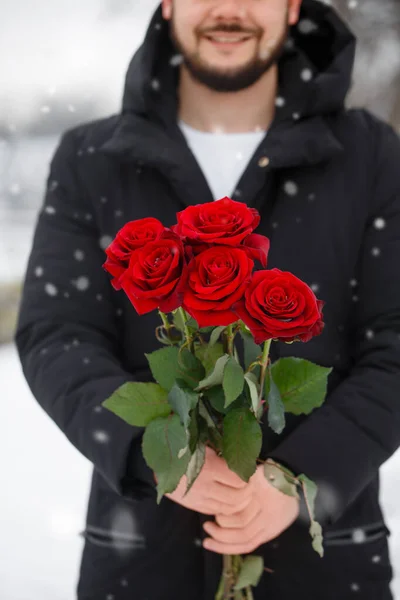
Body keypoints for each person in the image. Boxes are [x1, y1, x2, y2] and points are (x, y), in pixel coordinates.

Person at [14, 0, 400, 598]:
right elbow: (57, 334)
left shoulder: (371, 154)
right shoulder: (90, 160)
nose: (229, 9)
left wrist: (303, 478)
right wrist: (156, 461)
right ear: (167, 3)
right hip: (140, 565)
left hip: (326, 571)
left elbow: (396, 340)